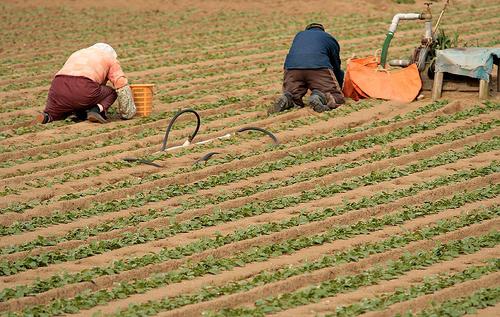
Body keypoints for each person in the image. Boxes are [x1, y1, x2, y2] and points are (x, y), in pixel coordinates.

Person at [35, 43, 136, 124]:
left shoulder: (78, 53)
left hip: (57, 86)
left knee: (60, 109)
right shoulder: (110, 58)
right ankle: (95, 110)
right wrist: (128, 112)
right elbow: (120, 83)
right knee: (111, 93)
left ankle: (47, 116)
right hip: (83, 87)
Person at [269, 23, 345, 114]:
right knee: (334, 96)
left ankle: (288, 98)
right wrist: (339, 85)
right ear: (322, 30)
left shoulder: (299, 35)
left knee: (294, 94)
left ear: (307, 30)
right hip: (318, 66)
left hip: (292, 68)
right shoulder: (329, 38)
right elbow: (336, 65)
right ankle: (321, 96)